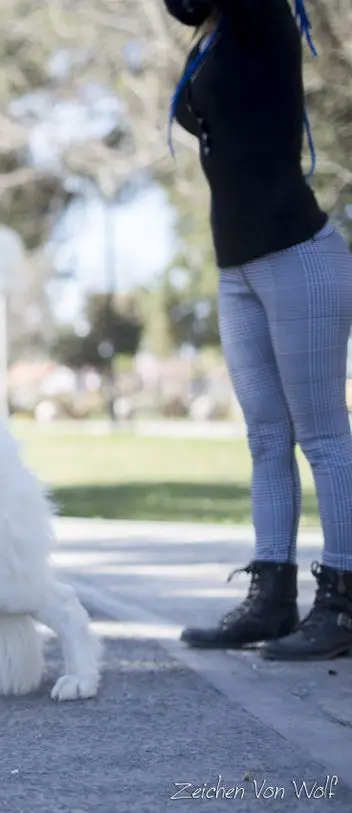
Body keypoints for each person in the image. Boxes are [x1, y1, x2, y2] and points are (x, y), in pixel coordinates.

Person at [165, 0, 352, 660]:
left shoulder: (258, 12)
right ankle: (272, 598)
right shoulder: (212, 33)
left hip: (298, 255)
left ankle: (345, 599)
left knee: (323, 434)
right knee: (266, 436)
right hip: (238, 267)